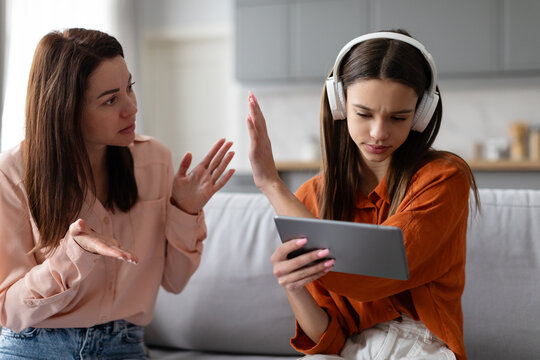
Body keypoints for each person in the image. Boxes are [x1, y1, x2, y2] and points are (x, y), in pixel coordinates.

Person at [0, 28, 234, 359]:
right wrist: (73, 255)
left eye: (130, 88)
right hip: (35, 346)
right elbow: (8, 309)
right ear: (66, 111)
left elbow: (176, 281)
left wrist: (185, 210)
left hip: (123, 346)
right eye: (111, 100)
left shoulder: (156, 160)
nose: (132, 107)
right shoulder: (11, 173)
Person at [246, 30, 479, 360]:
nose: (379, 133)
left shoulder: (444, 178)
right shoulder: (310, 197)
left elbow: (372, 273)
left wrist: (271, 184)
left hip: (421, 347)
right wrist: (294, 286)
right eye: (364, 113)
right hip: (350, 350)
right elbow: (329, 341)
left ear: (421, 115)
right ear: (340, 106)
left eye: (399, 117)